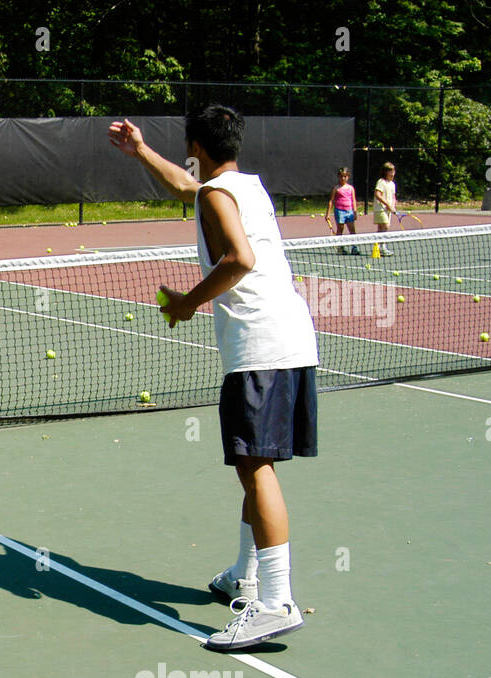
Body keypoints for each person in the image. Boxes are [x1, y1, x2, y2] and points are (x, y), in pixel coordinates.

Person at [108, 105, 319, 650]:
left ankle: (274, 601)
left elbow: (239, 258)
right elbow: (188, 188)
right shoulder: (242, 185)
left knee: (255, 469)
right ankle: (245, 578)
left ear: (196, 147)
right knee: (258, 465)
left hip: (260, 346)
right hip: (293, 338)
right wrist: (141, 151)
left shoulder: (215, 195)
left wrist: (186, 303)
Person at [325, 167, 359, 253]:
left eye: (345, 176)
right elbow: (331, 201)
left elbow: (353, 200)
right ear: (338, 177)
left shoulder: (351, 188)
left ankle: (354, 247)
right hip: (339, 212)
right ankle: (340, 248)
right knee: (340, 230)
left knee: (352, 230)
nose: (343, 178)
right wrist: (328, 213)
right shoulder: (336, 188)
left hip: (349, 211)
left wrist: (355, 212)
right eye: (341, 176)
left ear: (348, 177)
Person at [373, 162, 398, 256]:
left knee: (381, 228)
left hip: (388, 210)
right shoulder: (381, 182)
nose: (392, 173)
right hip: (380, 209)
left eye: (393, 171)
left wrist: (393, 206)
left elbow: (393, 197)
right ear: (385, 172)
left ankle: (379, 246)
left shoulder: (392, 184)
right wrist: (387, 204)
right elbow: (377, 194)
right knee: (385, 226)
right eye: (390, 171)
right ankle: (382, 247)